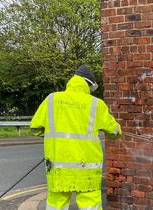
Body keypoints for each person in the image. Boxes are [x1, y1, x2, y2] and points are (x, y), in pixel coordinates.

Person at [30, 65, 121, 210]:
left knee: (56, 203)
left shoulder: (52, 99)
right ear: (89, 84)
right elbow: (115, 132)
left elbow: (35, 128)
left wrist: (52, 137)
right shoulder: (96, 104)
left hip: (58, 167)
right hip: (87, 169)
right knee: (90, 203)